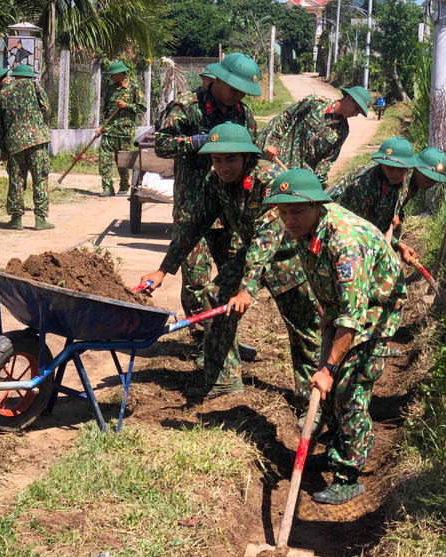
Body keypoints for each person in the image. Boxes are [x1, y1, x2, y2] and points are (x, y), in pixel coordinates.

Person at [139, 123, 321, 404]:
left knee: (303, 328)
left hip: (288, 256)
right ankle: (224, 381)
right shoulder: (216, 182)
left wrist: (246, 289)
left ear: (247, 156)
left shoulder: (268, 180)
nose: (223, 167)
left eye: (230, 159)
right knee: (215, 295)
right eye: (216, 159)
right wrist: (164, 269)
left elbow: (267, 239)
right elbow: (194, 223)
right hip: (252, 254)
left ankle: (310, 399)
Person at [263, 169, 406, 505]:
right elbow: (324, 279)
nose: (289, 219)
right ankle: (336, 450)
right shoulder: (307, 229)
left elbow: (354, 317)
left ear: (317, 204)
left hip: (376, 310)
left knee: (348, 388)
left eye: (296, 211)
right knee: (331, 386)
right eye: (283, 212)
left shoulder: (345, 241)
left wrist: (327, 369)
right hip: (346, 306)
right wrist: (328, 310)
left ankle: (347, 476)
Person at [154, 54, 261, 349]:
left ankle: (225, 338)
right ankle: (202, 339)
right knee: (196, 279)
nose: (238, 95)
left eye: (243, 91)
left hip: (229, 210)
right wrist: (195, 142)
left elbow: (252, 154)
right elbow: (161, 144)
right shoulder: (188, 107)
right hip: (194, 206)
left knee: (230, 273)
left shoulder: (243, 114)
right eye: (234, 88)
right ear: (219, 79)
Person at [0, 64, 54, 230]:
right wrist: (38, 126)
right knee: (40, 178)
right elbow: (47, 109)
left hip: (15, 144)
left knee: (16, 180)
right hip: (38, 140)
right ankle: (40, 219)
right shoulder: (32, 86)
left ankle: (16, 219)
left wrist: (3, 150)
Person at [258, 86, 371, 187]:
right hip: (279, 163)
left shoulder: (343, 130)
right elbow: (285, 118)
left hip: (300, 179)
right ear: (349, 98)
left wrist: (318, 186)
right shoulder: (314, 103)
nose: (356, 114)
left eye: (359, 112)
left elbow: (327, 161)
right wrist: (273, 143)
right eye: (356, 109)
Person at [327, 136, 416, 255]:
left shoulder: (402, 179)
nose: (395, 174)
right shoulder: (366, 186)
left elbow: (381, 223)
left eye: (400, 169)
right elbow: (359, 229)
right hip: (338, 227)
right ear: (382, 164)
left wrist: (397, 244)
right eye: (390, 168)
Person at [391, 147, 446, 263]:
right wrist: (399, 245)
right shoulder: (401, 180)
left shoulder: (414, 182)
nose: (432, 184)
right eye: (429, 178)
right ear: (417, 168)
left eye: (435, 181)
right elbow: (381, 223)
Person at [98, 60, 146, 197]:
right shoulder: (110, 89)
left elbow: (142, 107)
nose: (111, 77)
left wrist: (127, 105)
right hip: (109, 131)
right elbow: (105, 110)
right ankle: (107, 188)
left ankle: (124, 184)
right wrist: (101, 126)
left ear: (120, 74)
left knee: (122, 162)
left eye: (113, 74)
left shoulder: (134, 88)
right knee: (104, 160)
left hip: (124, 132)